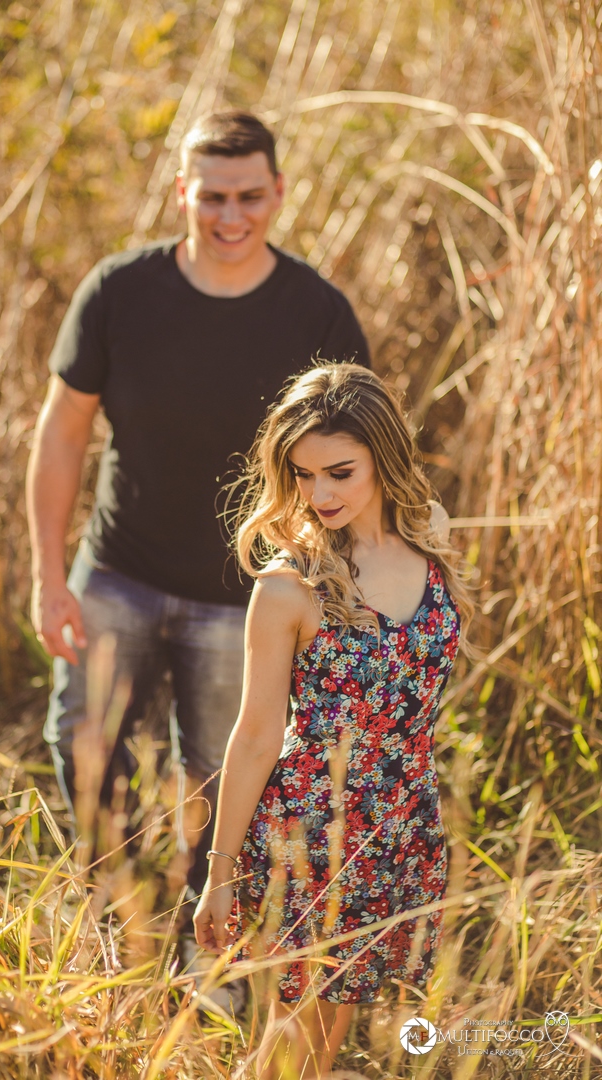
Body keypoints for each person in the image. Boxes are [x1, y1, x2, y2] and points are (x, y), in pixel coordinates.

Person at [26, 113, 370, 912]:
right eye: (212, 196)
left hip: (244, 595)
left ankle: (200, 934)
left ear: (278, 192)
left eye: (249, 195)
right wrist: (49, 576)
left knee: (222, 775)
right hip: (119, 569)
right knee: (82, 743)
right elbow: (62, 432)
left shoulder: (318, 314)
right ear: (182, 191)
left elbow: (356, 466)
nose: (230, 216)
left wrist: (331, 589)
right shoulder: (119, 291)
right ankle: (114, 909)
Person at [193, 363, 473, 1077]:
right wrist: (218, 873)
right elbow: (256, 736)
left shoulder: (430, 535)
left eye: (340, 473)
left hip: (403, 826)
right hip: (312, 835)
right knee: (297, 1036)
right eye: (304, 475)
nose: (319, 495)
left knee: (330, 1028)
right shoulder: (288, 588)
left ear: (385, 457)